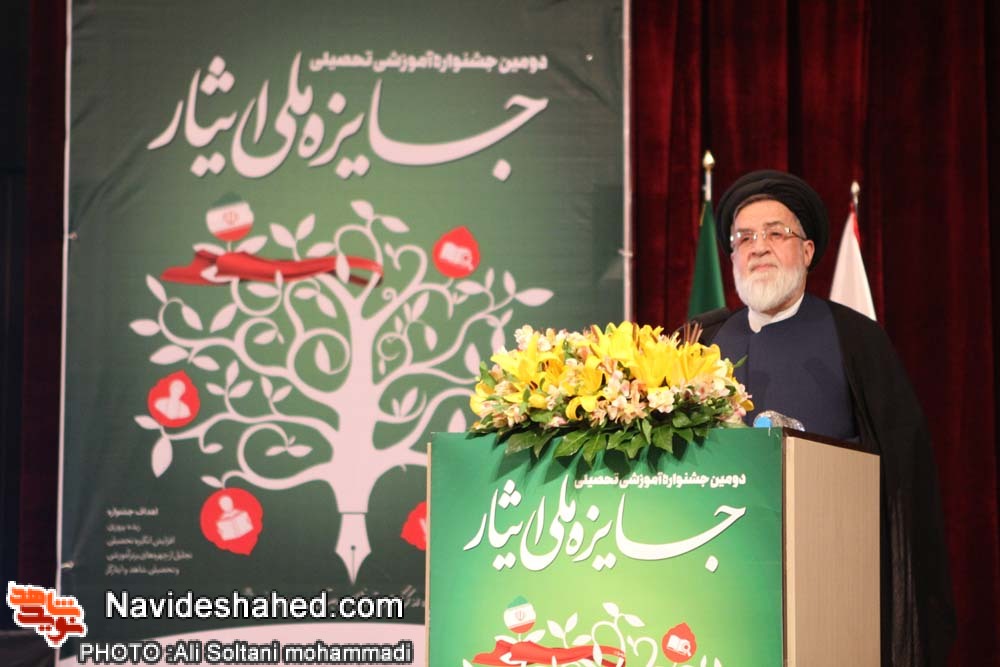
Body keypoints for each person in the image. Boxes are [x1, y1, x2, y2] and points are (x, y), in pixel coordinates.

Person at [692, 169, 955, 667]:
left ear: (807, 250)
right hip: (719, 574)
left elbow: (902, 474)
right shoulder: (702, 342)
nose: (758, 247)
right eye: (744, 238)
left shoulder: (856, 339)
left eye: (775, 233)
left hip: (831, 579)